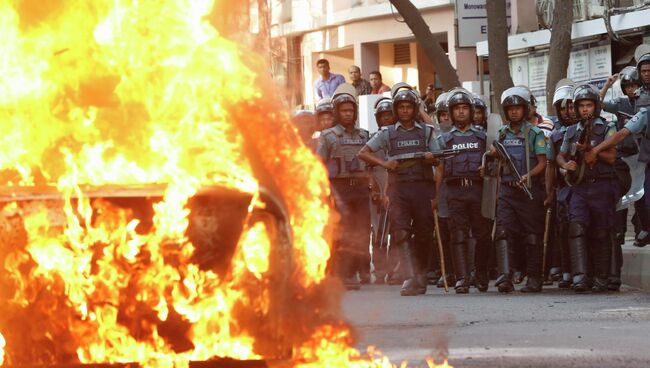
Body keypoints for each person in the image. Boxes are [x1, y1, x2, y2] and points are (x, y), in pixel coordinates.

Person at [358, 83, 441, 296]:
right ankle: (410, 276)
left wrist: (432, 160)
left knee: (423, 233)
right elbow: (363, 153)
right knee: (401, 232)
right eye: (401, 107)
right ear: (396, 109)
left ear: (415, 109)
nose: (405, 111)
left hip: (422, 188)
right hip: (398, 190)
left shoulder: (427, 131)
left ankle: (421, 274)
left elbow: (440, 159)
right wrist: (385, 165)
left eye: (409, 107)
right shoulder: (387, 133)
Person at [585, 44, 650, 251]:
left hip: (640, 156)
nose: (632, 89)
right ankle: (623, 232)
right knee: (630, 195)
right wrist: (606, 85)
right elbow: (622, 130)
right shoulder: (633, 103)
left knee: (642, 198)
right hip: (632, 158)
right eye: (644, 71)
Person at [483, 86, 547, 293]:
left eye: (518, 108)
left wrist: (530, 175)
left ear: (525, 109)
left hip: (528, 191)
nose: (514, 112)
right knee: (503, 232)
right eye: (510, 109)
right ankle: (505, 276)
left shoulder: (535, 133)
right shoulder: (502, 133)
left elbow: (542, 163)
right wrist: (490, 157)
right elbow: (495, 154)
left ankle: (534, 278)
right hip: (508, 192)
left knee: (532, 236)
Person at [556, 84, 618, 293]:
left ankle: (601, 278)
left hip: (601, 186)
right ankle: (580, 277)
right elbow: (560, 155)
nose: (585, 110)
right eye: (581, 105)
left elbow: (612, 157)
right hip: (579, 189)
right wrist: (565, 165)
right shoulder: (572, 131)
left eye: (588, 105)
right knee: (576, 228)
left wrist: (592, 151)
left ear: (596, 106)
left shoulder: (607, 127)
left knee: (601, 232)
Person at [317, 84, 371, 290]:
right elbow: (319, 165)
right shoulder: (328, 136)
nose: (348, 114)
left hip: (360, 188)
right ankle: (344, 273)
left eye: (351, 110)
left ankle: (358, 269)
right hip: (339, 189)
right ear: (337, 113)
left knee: (362, 231)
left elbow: (371, 164)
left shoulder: (363, 135)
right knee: (343, 231)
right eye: (344, 111)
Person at [437, 88, 490, 293]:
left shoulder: (483, 136)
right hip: (454, 191)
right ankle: (462, 278)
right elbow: (439, 169)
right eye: (457, 109)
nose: (460, 112)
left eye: (464, 108)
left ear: (471, 111)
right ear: (450, 113)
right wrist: (435, 195)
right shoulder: (443, 139)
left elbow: (494, 164)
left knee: (482, 234)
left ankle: (481, 273)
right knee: (457, 234)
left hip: (477, 190)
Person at [600, 66, 642, 290]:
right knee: (619, 213)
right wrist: (607, 86)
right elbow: (598, 104)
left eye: (634, 85)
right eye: (627, 86)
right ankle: (613, 273)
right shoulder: (620, 105)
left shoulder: (644, 104)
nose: (631, 89)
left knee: (643, 204)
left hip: (642, 160)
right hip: (621, 163)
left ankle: (642, 230)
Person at [545, 81, 576, 289]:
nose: (567, 112)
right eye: (563, 108)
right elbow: (549, 165)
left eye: (571, 106)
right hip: (562, 188)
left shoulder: (587, 129)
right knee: (562, 230)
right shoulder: (555, 135)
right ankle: (565, 270)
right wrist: (549, 193)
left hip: (584, 186)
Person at [368, 97, 396, 284]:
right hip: (377, 191)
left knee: (396, 232)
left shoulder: (399, 136)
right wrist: (374, 189)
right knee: (378, 233)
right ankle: (379, 270)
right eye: (383, 116)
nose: (386, 119)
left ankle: (394, 270)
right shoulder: (372, 139)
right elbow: (366, 167)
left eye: (389, 115)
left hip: (396, 189)